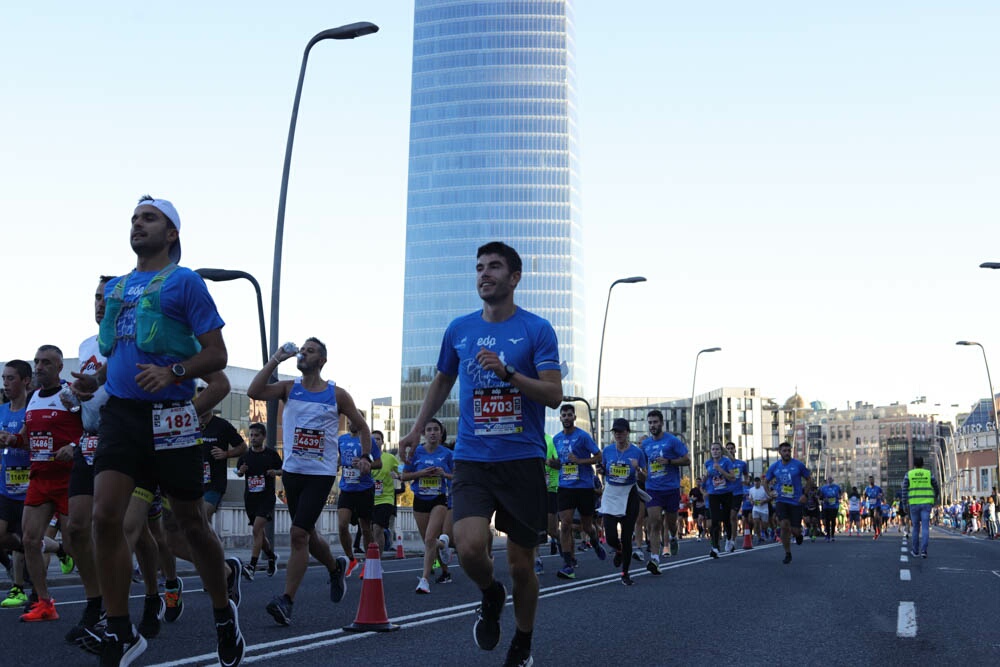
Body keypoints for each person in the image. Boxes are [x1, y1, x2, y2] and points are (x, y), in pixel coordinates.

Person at [80, 195, 242, 666]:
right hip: (122, 415)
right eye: (133, 219)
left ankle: (221, 612)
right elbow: (118, 355)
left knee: (189, 524)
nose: (137, 225)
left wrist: (174, 372)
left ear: (171, 233)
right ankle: (118, 630)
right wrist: (96, 382)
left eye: (149, 218)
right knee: (104, 517)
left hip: (171, 416)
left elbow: (217, 357)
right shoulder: (117, 289)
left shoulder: (185, 282)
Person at [399, 242, 562, 667]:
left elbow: (554, 394)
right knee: (468, 546)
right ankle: (492, 595)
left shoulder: (537, 329)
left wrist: (507, 372)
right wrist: (417, 429)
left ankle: (522, 642)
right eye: (479, 268)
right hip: (472, 458)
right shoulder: (459, 329)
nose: (484, 274)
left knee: (522, 566)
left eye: (493, 267)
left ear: (514, 278)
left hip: (522, 459)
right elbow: (441, 381)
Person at [248, 337, 372, 627]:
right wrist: (275, 359)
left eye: (310, 351)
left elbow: (364, 427)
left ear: (322, 360)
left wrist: (366, 456)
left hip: (320, 474)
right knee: (307, 534)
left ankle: (286, 601)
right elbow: (254, 391)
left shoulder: (337, 394)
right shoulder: (288, 388)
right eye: (302, 350)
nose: (303, 354)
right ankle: (334, 567)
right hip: (293, 472)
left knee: (297, 534)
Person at [0, 346, 81, 623]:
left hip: (69, 479)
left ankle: (102, 600)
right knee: (30, 540)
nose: (39, 366)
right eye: (37, 362)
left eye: (46, 362)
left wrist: (74, 446)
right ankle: (45, 602)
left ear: (59, 367)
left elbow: (95, 427)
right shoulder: (33, 397)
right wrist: (14, 440)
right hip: (39, 478)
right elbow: (26, 436)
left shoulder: (70, 394)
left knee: (76, 542)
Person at [550, 403, 606, 579]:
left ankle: (595, 543)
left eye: (569, 415)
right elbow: (560, 463)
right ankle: (568, 564)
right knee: (565, 525)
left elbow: (599, 456)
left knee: (587, 526)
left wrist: (580, 461)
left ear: (574, 417)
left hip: (584, 487)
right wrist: (554, 464)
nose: (566, 418)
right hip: (565, 487)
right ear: (560, 418)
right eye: (563, 415)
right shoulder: (556, 439)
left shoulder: (583, 436)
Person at [401, 418, 454, 593]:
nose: (432, 432)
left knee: (430, 539)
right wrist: (420, 473)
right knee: (429, 542)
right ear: (424, 433)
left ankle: (424, 580)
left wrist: (443, 474)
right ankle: (445, 565)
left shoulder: (447, 454)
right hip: (420, 499)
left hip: (438, 499)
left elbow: (457, 476)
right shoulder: (415, 453)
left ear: (441, 433)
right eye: (429, 429)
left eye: (436, 429)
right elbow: (404, 476)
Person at [598, 418, 648, 585]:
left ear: (628, 432)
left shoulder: (637, 452)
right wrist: (601, 470)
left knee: (626, 536)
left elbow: (645, 476)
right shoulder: (607, 450)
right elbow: (604, 469)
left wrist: (638, 469)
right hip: (612, 493)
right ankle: (618, 549)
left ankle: (625, 573)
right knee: (611, 536)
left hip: (629, 493)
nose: (618, 434)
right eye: (616, 431)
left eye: (621, 431)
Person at [640, 409, 689, 570]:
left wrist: (668, 461)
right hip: (653, 488)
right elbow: (643, 464)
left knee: (671, 522)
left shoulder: (672, 441)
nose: (652, 425)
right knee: (654, 523)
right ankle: (654, 558)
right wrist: (640, 472)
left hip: (671, 488)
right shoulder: (646, 444)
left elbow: (687, 460)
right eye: (650, 422)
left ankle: (673, 536)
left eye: (655, 422)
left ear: (661, 423)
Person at [0, 360, 31, 610]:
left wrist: (18, 440)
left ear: (25, 381)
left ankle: (19, 588)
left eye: (11, 378)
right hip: (5, 486)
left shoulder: (33, 410)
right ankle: (57, 549)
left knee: (27, 537)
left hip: (32, 486)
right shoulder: (1, 411)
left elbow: (42, 441)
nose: (5, 383)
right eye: (4, 378)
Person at [235, 423, 282, 579]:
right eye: (251, 435)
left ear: (263, 436)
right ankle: (271, 557)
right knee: (259, 533)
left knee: (256, 530)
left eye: (256, 435)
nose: (253, 438)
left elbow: (284, 470)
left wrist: (275, 471)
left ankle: (251, 566)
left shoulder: (271, 455)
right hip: (250, 499)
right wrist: (241, 471)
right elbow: (238, 472)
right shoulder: (245, 456)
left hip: (266, 498)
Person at [336, 419, 381, 575]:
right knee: (342, 525)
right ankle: (351, 559)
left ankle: (369, 563)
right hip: (347, 488)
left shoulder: (368, 441)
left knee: (366, 529)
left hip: (364, 489)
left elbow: (379, 463)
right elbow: (341, 458)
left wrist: (366, 464)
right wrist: (336, 464)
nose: (352, 422)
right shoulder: (341, 439)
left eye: (356, 418)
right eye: (350, 418)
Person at [764, 442, 811, 564]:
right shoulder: (774, 467)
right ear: (780, 452)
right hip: (781, 500)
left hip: (796, 501)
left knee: (795, 530)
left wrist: (805, 495)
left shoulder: (798, 465)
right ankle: (787, 553)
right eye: (784, 451)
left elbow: (809, 480)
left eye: (788, 451)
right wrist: (769, 493)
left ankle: (798, 535)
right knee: (784, 525)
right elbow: (765, 481)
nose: (787, 453)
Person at [199, 403, 247, 522]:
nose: (203, 403)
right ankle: (211, 540)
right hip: (192, 482)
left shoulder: (222, 425)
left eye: (207, 400)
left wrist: (226, 454)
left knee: (202, 517)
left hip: (214, 484)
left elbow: (243, 447)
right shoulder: (189, 424)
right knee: (197, 525)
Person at [704, 442, 737, 558]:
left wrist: (721, 470)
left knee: (726, 519)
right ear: (711, 451)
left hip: (726, 493)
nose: (715, 451)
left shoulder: (726, 461)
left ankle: (729, 539)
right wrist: (705, 477)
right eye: (713, 449)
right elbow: (706, 479)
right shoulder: (707, 463)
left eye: (717, 449)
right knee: (715, 521)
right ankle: (715, 547)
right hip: (714, 494)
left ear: (721, 451)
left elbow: (732, 478)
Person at [902, 456, 939, 558]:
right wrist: (935, 496)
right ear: (923, 464)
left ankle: (915, 551)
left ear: (914, 464)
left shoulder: (909, 474)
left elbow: (904, 491)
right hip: (927, 503)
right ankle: (924, 551)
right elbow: (936, 486)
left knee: (915, 528)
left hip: (913, 503)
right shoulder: (928, 474)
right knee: (925, 527)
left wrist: (904, 504)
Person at [369, 431, 399, 556]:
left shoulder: (390, 458)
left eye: (378, 439)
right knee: (369, 531)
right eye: (373, 439)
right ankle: (370, 559)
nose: (376, 441)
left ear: (382, 442)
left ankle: (377, 560)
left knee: (377, 529)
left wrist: (396, 475)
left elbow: (402, 473)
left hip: (385, 498)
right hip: (368, 498)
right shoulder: (365, 457)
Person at [723, 442, 748, 553]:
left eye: (731, 448)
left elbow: (747, 476)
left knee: (733, 516)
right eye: (727, 448)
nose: (730, 450)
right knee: (726, 517)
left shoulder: (741, 464)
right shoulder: (723, 464)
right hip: (725, 493)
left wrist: (746, 481)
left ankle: (733, 539)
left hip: (737, 493)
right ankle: (729, 537)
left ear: (735, 450)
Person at [819, 477, 842, 542]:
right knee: (827, 520)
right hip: (826, 506)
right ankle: (828, 535)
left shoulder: (837, 487)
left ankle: (832, 534)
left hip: (834, 506)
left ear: (833, 480)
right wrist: (823, 499)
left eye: (831, 479)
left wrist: (839, 497)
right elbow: (820, 496)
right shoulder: (823, 488)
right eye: (828, 480)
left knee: (833, 520)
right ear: (827, 481)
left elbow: (840, 493)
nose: (830, 481)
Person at [748, 477, 769, 544]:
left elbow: (769, 498)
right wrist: (751, 501)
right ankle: (759, 538)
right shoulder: (751, 490)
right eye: (755, 482)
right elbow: (750, 498)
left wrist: (764, 501)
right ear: (754, 482)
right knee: (756, 523)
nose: (756, 483)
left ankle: (765, 530)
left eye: (757, 482)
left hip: (764, 509)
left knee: (764, 525)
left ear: (760, 482)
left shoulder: (764, 489)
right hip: (756, 508)